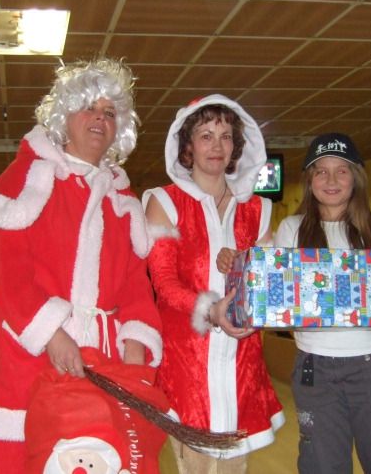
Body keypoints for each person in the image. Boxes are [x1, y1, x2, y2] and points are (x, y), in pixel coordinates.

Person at [0, 58, 163, 474]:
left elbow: (134, 285)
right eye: (89, 108)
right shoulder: (29, 179)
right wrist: (50, 332)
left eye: (109, 113)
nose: (100, 118)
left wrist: (136, 340)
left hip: (103, 361)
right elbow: (2, 269)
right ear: (64, 117)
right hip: (26, 358)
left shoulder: (121, 201)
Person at [142, 94, 284, 473]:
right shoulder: (164, 202)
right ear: (187, 145)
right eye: (205, 136)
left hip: (242, 366)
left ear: (236, 145)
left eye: (225, 136)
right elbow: (164, 283)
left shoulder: (258, 209)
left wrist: (245, 268)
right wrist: (212, 309)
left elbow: (269, 284)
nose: (216, 146)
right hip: (187, 369)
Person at [273, 132, 371, 474]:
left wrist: (327, 297)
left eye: (342, 170)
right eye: (321, 171)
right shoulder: (291, 229)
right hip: (315, 366)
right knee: (321, 464)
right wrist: (354, 294)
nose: (331, 180)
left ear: (356, 178)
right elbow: (284, 303)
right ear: (310, 181)